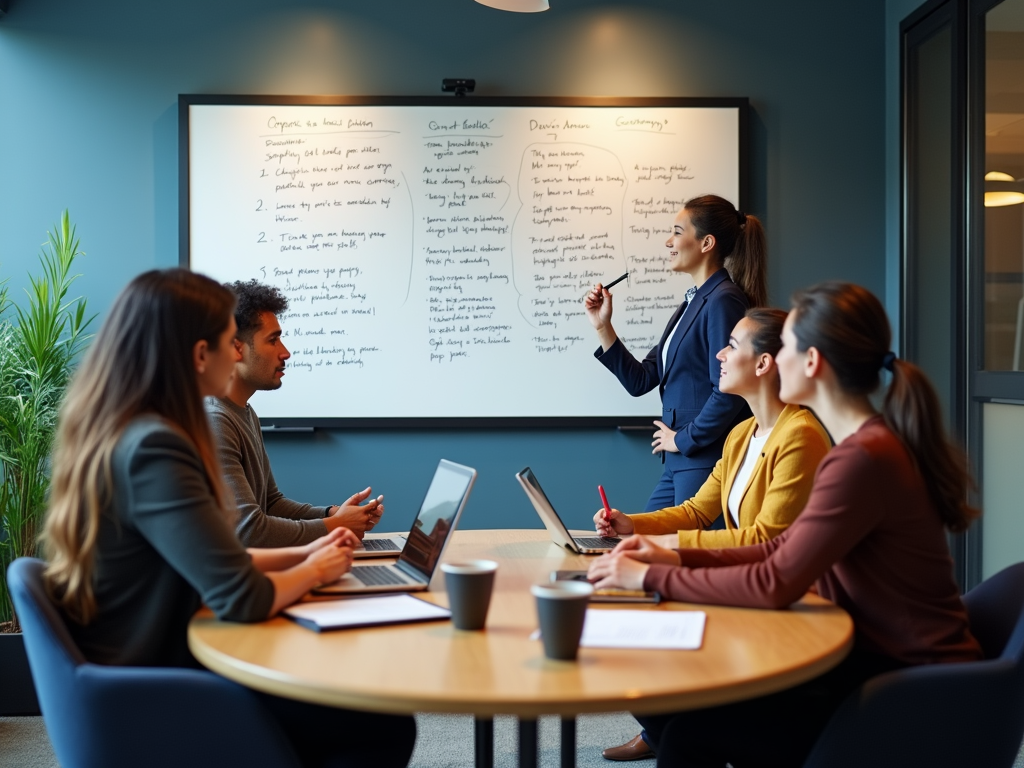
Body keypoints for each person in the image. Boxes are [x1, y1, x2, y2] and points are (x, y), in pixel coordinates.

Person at [588, 281, 982, 768]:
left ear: (811, 362)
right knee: (680, 716)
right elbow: (784, 550)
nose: (776, 359)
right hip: (870, 661)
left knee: (691, 732)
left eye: (788, 347)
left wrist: (652, 574)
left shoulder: (860, 457)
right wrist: (669, 556)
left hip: (902, 686)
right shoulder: (865, 445)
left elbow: (776, 579)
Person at [42, 269, 416, 768]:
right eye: (228, 343)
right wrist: (315, 570)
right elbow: (240, 594)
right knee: (381, 726)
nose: (237, 352)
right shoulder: (157, 448)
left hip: (144, 664)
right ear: (202, 356)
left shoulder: (127, 431)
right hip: (160, 684)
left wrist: (305, 551)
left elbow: (216, 560)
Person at [594, 308, 832, 762]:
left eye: (734, 345)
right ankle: (675, 733)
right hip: (748, 593)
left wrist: (663, 549)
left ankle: (690, 736)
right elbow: (696, 511)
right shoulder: (742, 433)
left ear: (763, 365)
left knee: (680, 717)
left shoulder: (800, 436)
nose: (720, 353)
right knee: (636, 661)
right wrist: (632, 524)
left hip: (785, 612)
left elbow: (765, 539)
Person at [585, 194, 767, 512]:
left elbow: (728, 391)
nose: (669, 241)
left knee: (684, 555)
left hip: (703, 457)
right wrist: (604, 327)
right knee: (642, 539)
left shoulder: (723, 300)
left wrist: (681, 439)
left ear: (706, 242)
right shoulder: (693, 303)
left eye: (678, 231)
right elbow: (640, 380)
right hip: (680, 460)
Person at [206, 279, 384, 547]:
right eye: (273, 340)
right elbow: (249, 531)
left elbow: (270, 503)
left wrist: (332, 514)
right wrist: (335, 526)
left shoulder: (245, 413)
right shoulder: (216, 422)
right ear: (236, 348)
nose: (285, 352)